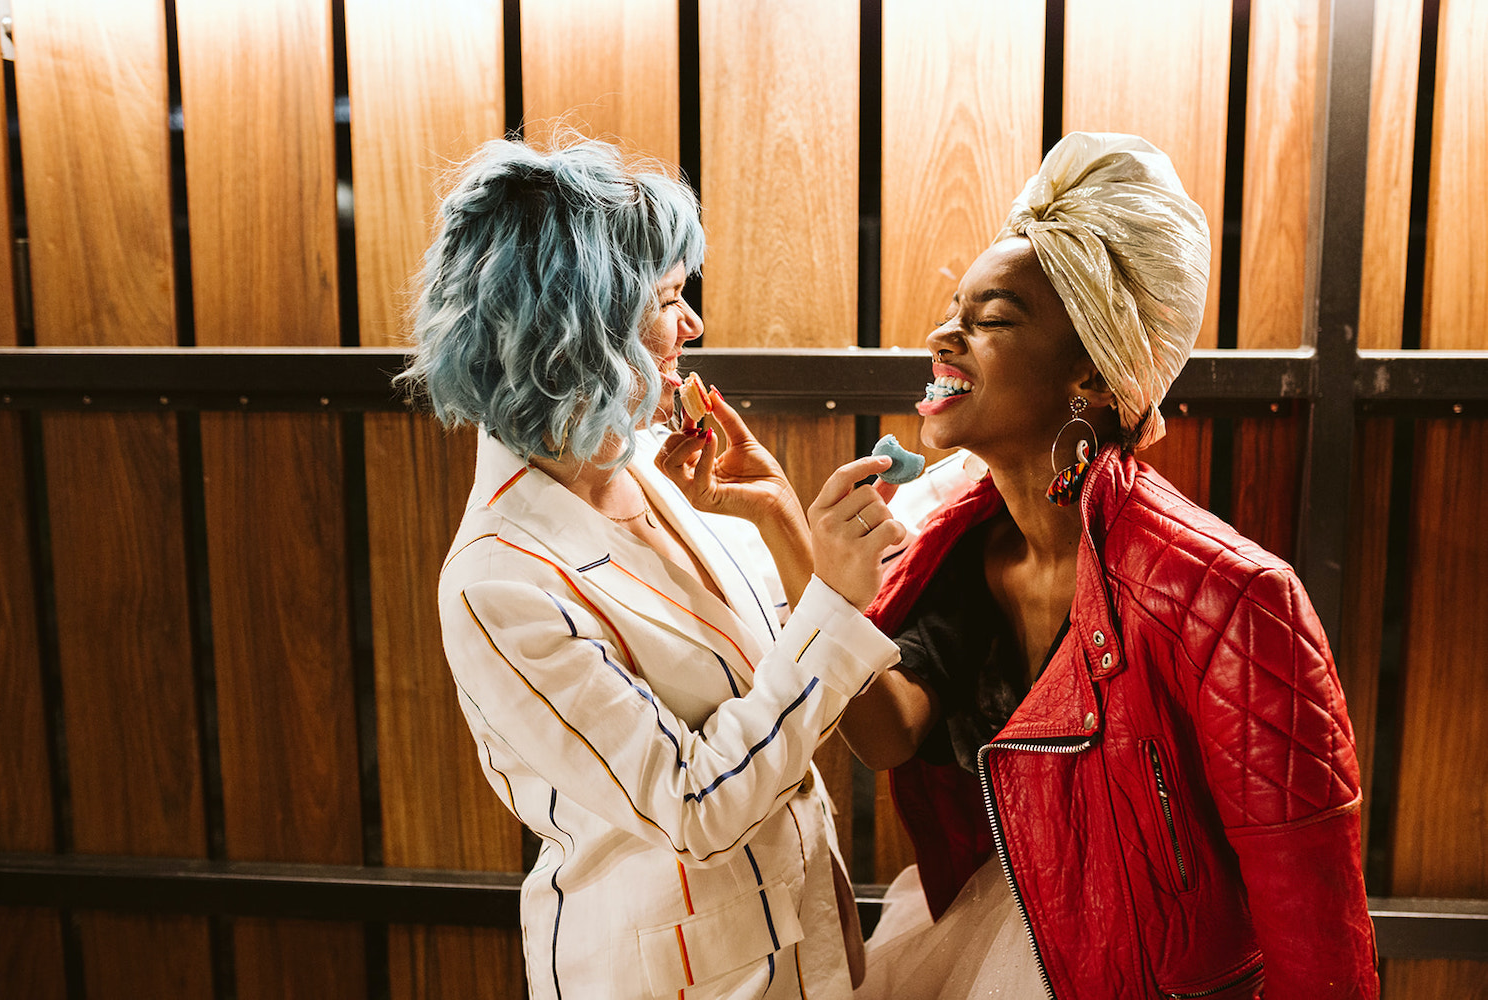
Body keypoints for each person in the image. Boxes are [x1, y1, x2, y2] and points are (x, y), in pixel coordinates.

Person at [840, 133, 1379, 999]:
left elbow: (1317, 934)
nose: (943, 335)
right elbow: (884, 734)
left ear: (1091, 373)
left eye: (993, 319)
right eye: (953, 308)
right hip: (983, 937)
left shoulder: (1233, 597)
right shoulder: (955, 544)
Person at [399, 136, 905, 1000]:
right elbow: (696, 804)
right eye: (670, 299)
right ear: (582, 332)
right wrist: (835, 595)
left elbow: (776, 688)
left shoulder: (660, 466)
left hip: (807, 940)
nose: (693, 325)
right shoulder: (497, 583)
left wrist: (779, 514)